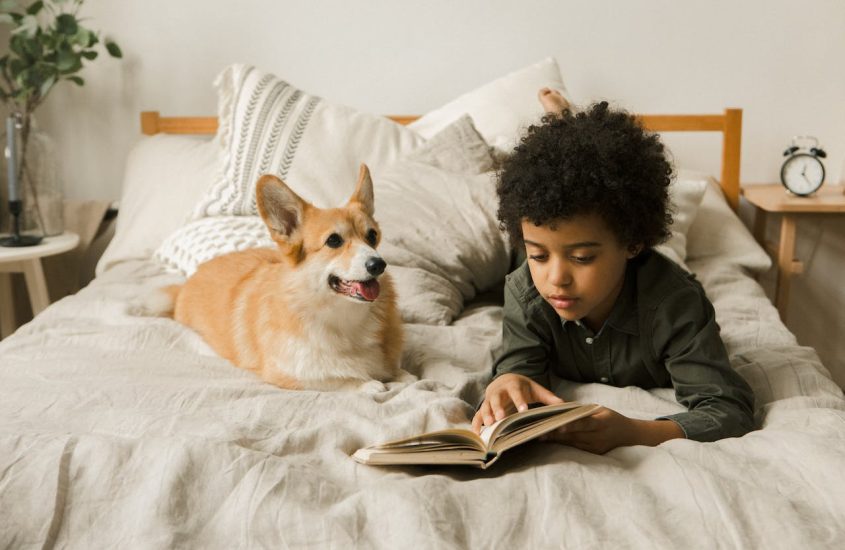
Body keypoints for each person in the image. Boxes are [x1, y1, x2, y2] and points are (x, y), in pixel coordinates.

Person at [471, 89, 755, 454]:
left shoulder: (675, 304)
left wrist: (635, 432)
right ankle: (563, 126)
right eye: (538, 255)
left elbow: (728, 410)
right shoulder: (526, 289)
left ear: (633, 242)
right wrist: (509, 380)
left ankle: (566, 124)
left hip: (648, 274)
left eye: (582, 258)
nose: (557, 278)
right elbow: (519, 362)